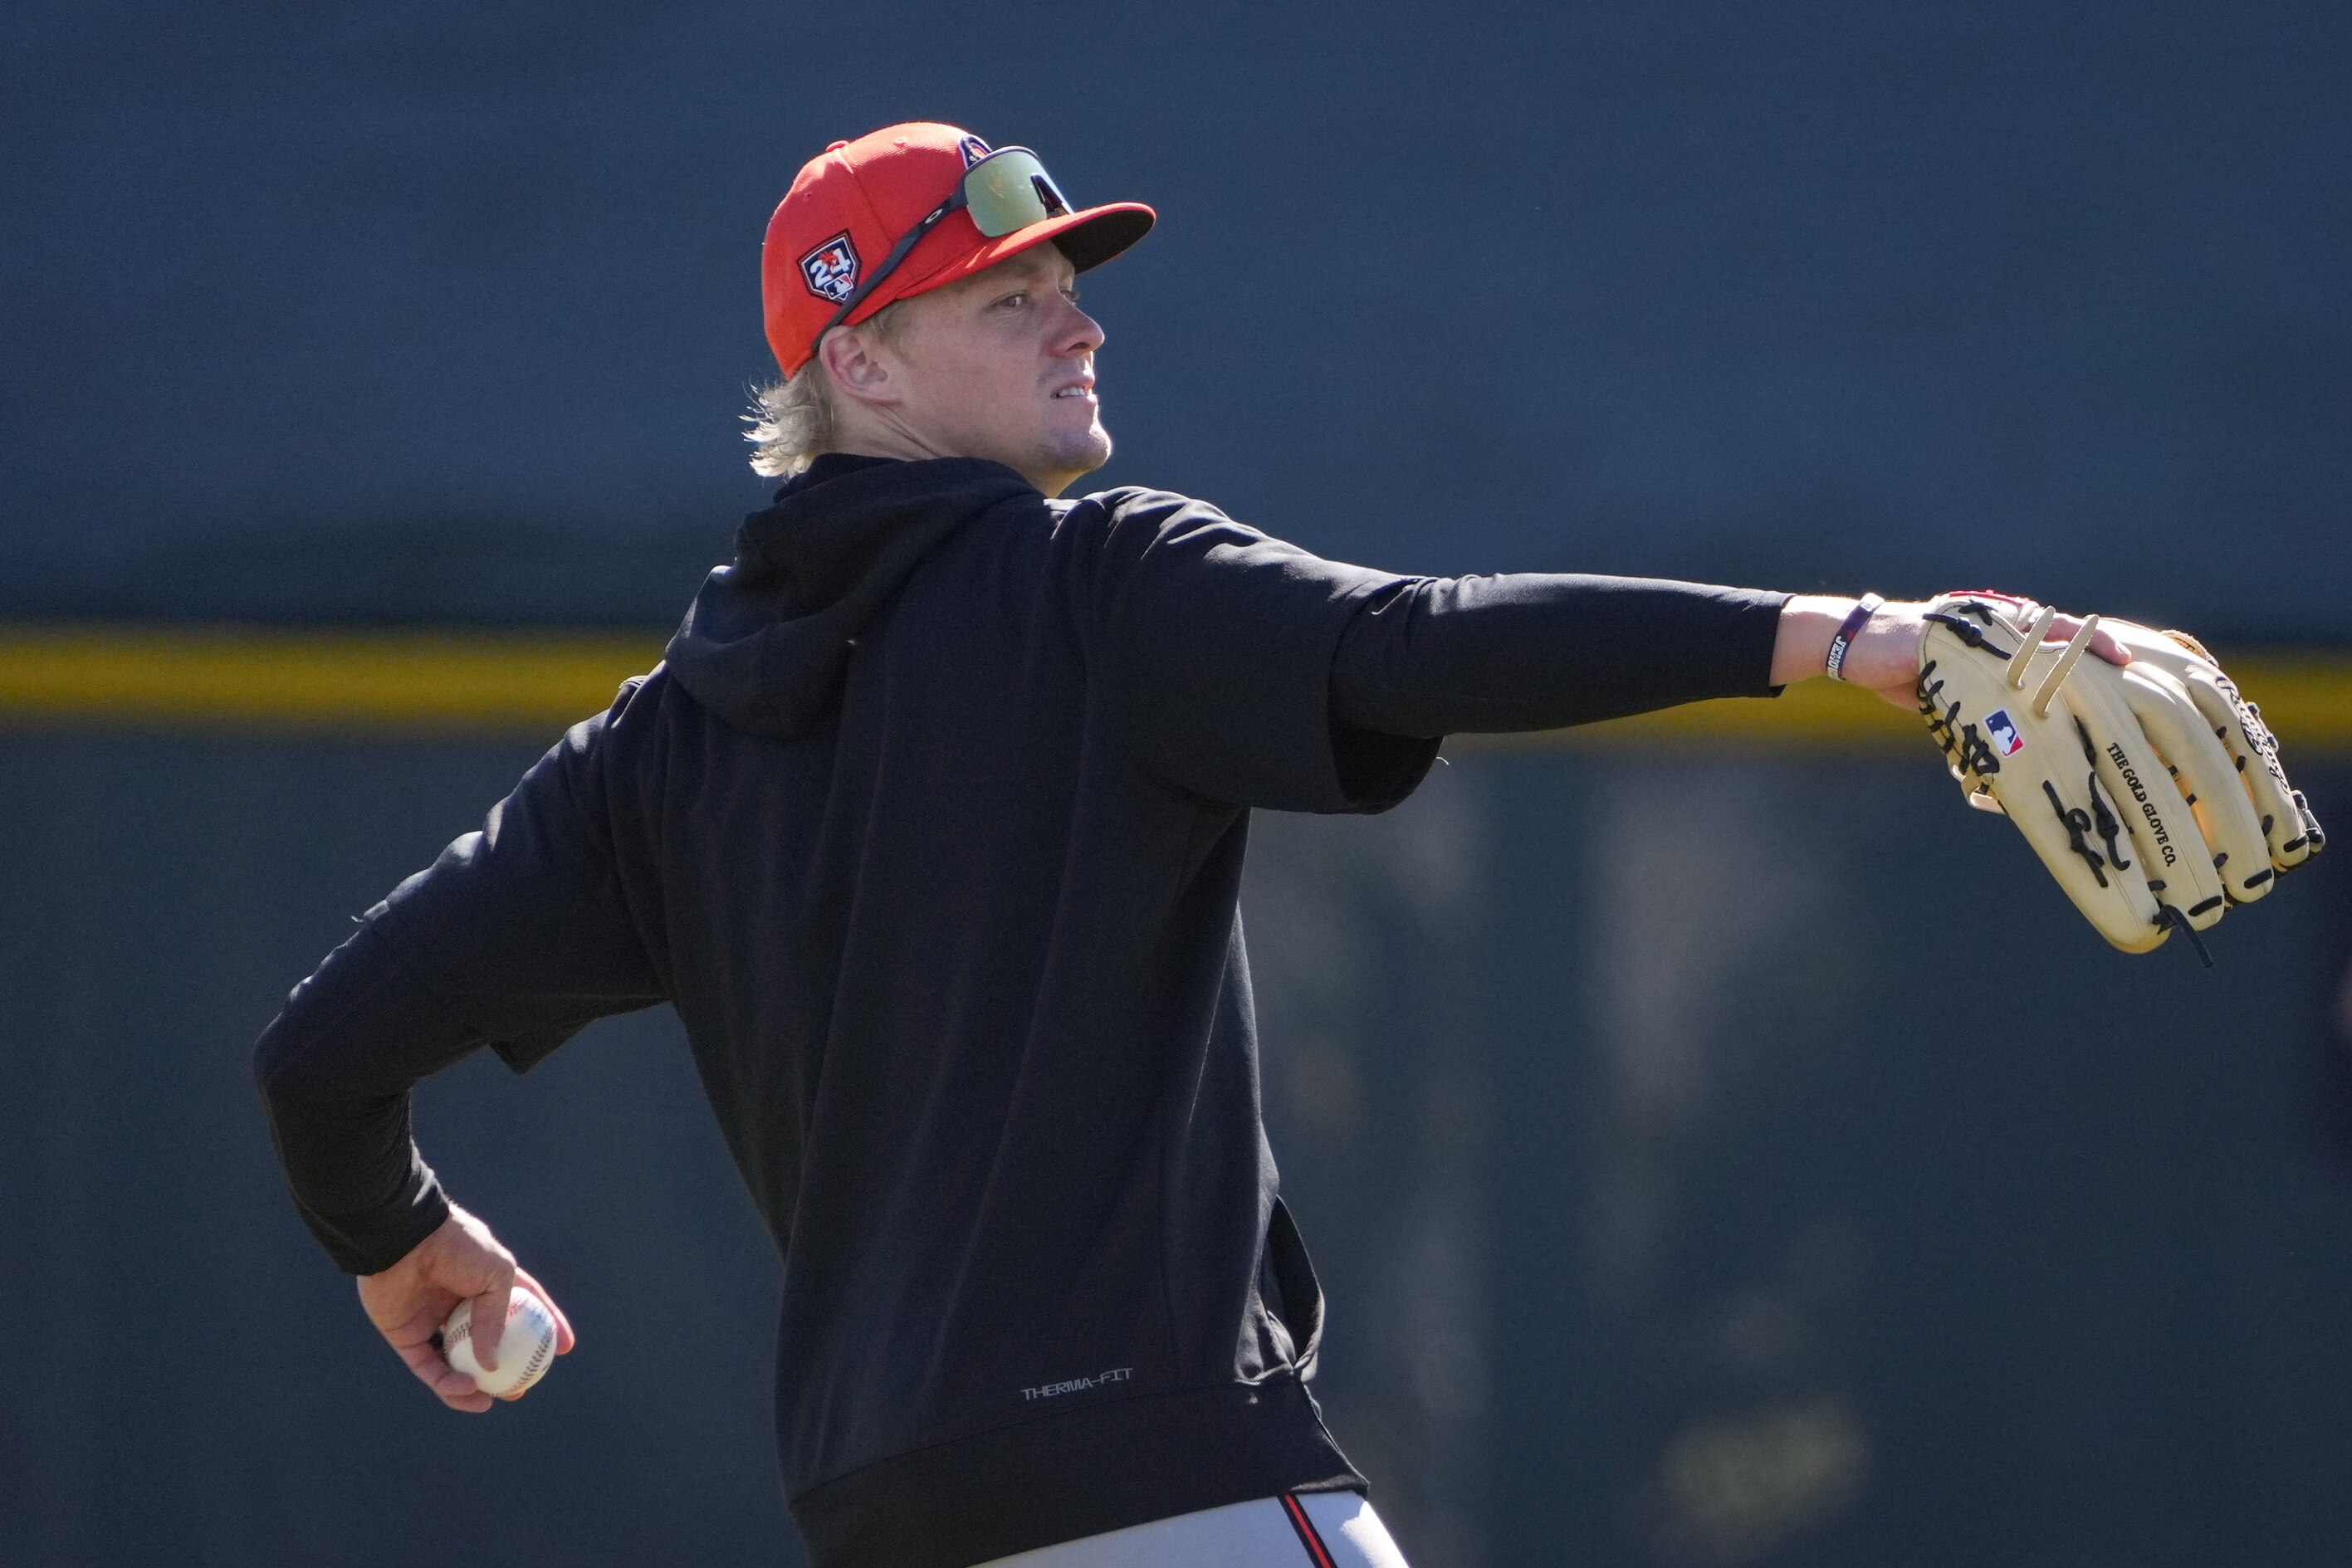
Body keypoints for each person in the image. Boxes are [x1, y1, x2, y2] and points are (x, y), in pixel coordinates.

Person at [253, 122, 2122, 1568]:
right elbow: (1422, 638)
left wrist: (400, 1236)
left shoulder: (656, 748)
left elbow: (322, 1052)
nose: (1078, 315)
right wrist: (1840, 635)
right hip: (1170, 1489)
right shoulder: (1092, 580)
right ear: (868, 371)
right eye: (1009, 296)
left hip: (887, 1508)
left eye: (1067, 279)